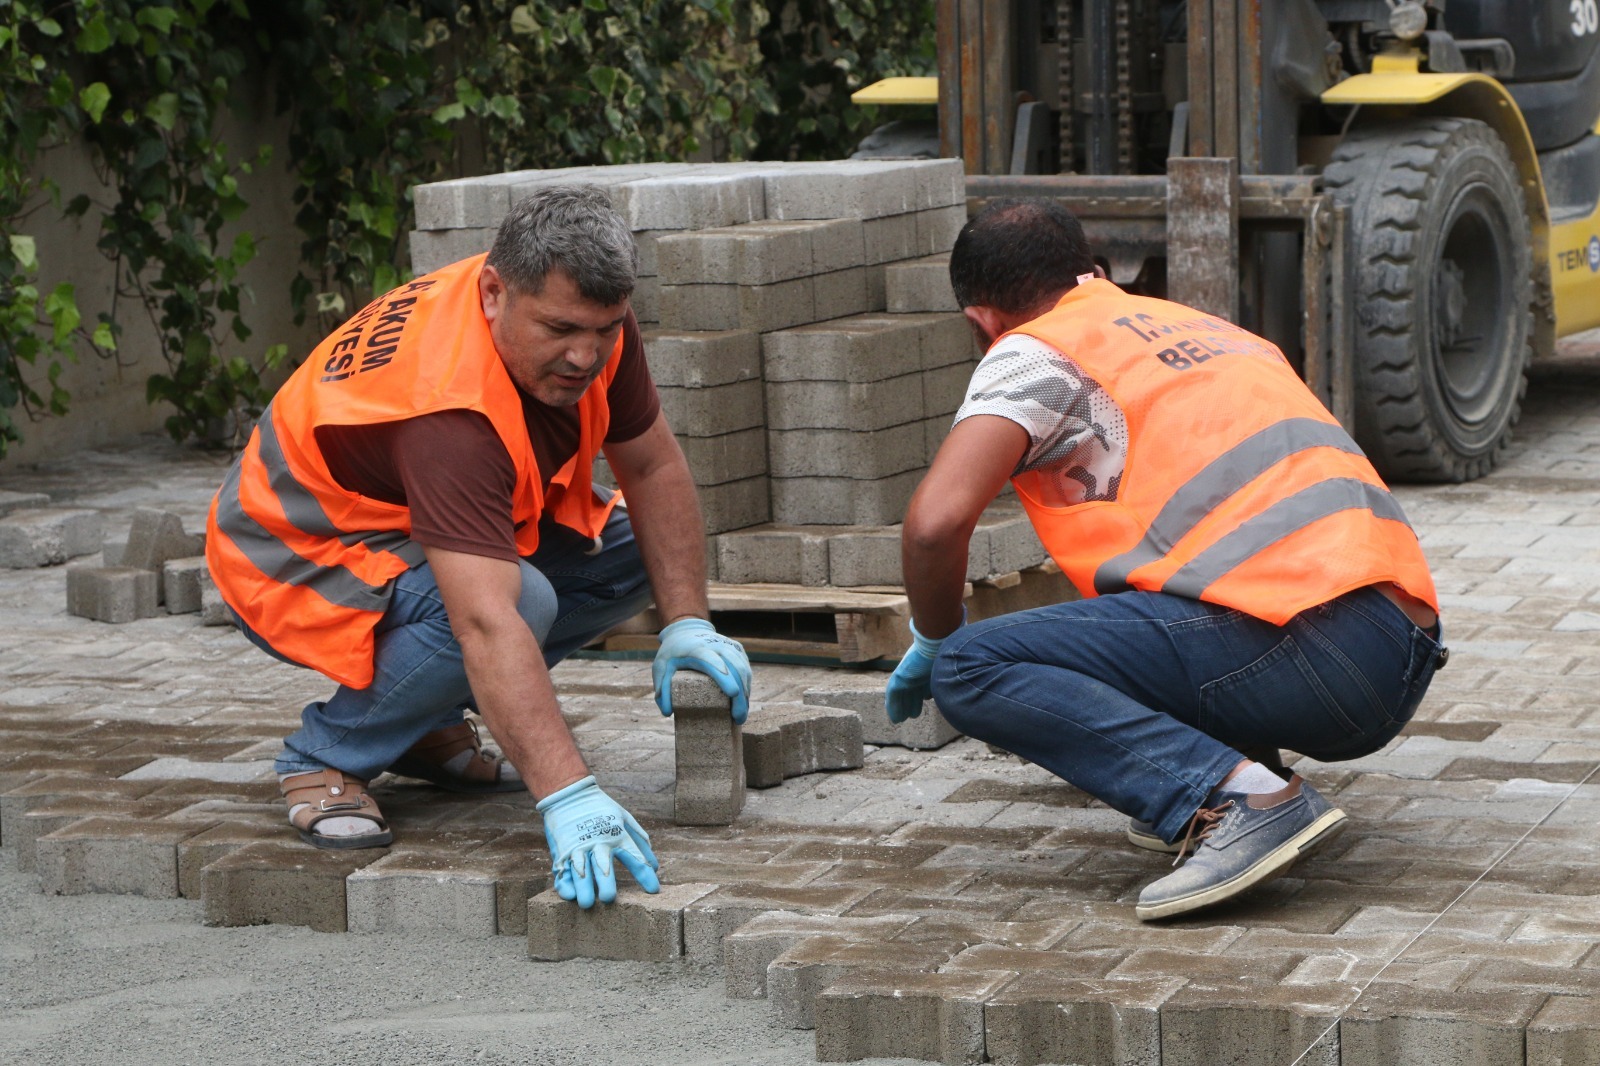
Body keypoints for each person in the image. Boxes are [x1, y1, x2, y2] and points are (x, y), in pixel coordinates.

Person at [886, 198, 1447, 921]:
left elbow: (933, 527)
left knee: (974, 665)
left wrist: (934, 640)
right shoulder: (1201, 328)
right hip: (1396, 647)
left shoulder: (1036, 352)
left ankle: (1244, 800)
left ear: (982, 321)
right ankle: (1246, 766)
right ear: (1093, 271)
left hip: (1312, 652)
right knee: (1136, 608)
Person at [206, 185, 751, 909]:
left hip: (409, 520)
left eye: (606, 330)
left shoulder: (585, 323)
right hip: (294, 550)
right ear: (494, 292)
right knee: (518, 603)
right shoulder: (448, 415)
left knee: (624, 553)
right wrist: (567, 792)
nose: (586, 356)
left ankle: (421, 725)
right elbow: (487, 621)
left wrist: (687, 621)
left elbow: (651, 466)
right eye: (562, 330)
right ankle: (325, 757)